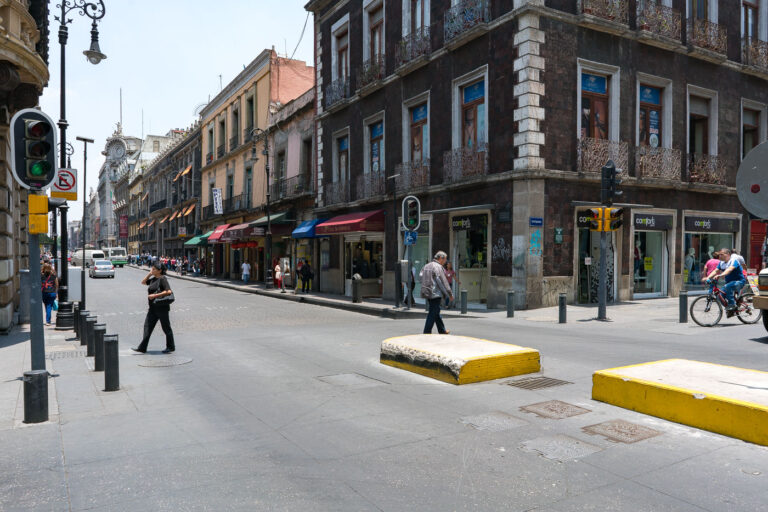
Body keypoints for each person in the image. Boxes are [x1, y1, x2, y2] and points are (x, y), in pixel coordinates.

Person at [132, 261, 176, 354]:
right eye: (152, 268)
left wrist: (154, 296)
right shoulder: (153, 279)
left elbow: (168, 291)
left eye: (154, 269)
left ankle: (170, 347)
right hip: (152, 308)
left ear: (159, 271)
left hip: (161, 308)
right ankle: (142, 348)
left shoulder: (163, 278)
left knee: (166, 328)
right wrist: (149, 274)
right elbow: (143, 282)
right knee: (147, 327)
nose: (152, 270)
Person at [420, 251, 453, 335]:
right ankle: (426, 332)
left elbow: (420, 277)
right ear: (440, 258)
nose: (445, 261)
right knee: (432, 313)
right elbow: (443, 282)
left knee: (436, 311)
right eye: (445, 259)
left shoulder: (426, 266)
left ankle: (442, 330)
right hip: (435, 293)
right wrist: (449, 294)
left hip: (427, 292)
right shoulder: (438, 267)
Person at [704, 248, 747, 314]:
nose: (720, 256)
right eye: (719, 255)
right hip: (729, 283)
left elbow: (729, 270)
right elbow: (716, 271)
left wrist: (720, 275)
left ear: (728, 254)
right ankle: (731, 311)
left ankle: (732, 305)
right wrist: (708, 277)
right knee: (719, 296)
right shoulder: (721, 263)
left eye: (721, 254)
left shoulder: (734, 261)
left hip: (739, 282)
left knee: (728, 286)